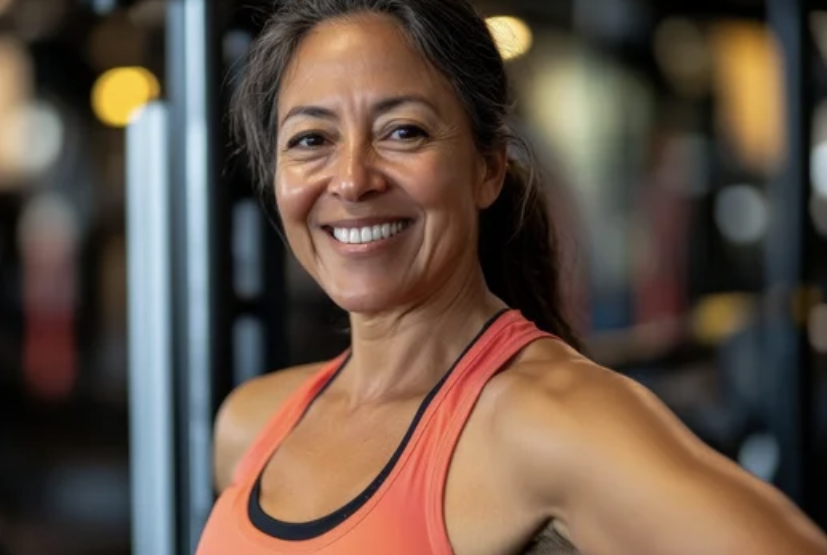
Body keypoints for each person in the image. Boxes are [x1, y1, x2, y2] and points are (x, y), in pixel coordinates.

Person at [196, 1, 827, 554]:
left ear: (488, 167)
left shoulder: (551, 420)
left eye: (403, 131)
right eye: (310, 139)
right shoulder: (251, 425)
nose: (353, 179)